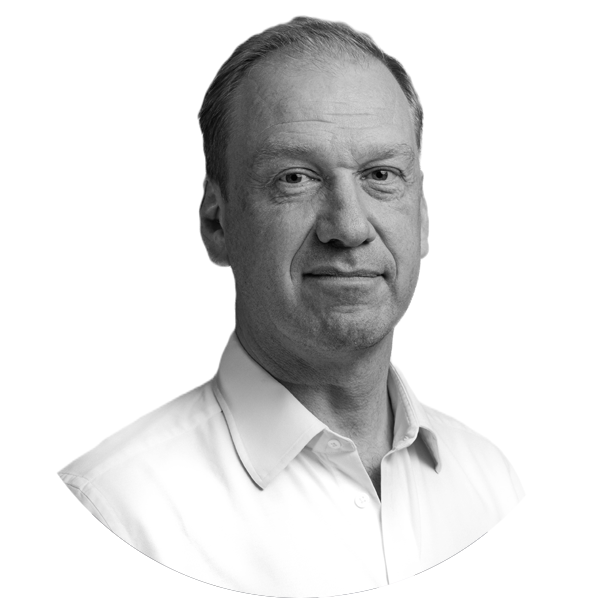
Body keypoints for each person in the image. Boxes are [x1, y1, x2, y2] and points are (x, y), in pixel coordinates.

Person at [58, 16, 524, 597]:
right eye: (296, 178)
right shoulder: (115, 515)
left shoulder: (495, 488)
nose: (349, 227)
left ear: (422, 218)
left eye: (381, 175)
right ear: (218, 223)